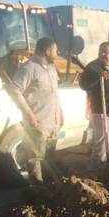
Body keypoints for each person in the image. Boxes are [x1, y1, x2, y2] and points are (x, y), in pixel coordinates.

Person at [9, 37, 63, 183]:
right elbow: (14, 90)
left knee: (50, 157)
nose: (57, 53)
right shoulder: (29, 68)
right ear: (47, 51)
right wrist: (29, 114)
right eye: (55, 50)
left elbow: (54, 93)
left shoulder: (51, 68)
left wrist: (60, 113)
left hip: (52, 123)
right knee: (35, 157)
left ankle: (51, 188)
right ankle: (38, 189)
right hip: (37, 123)